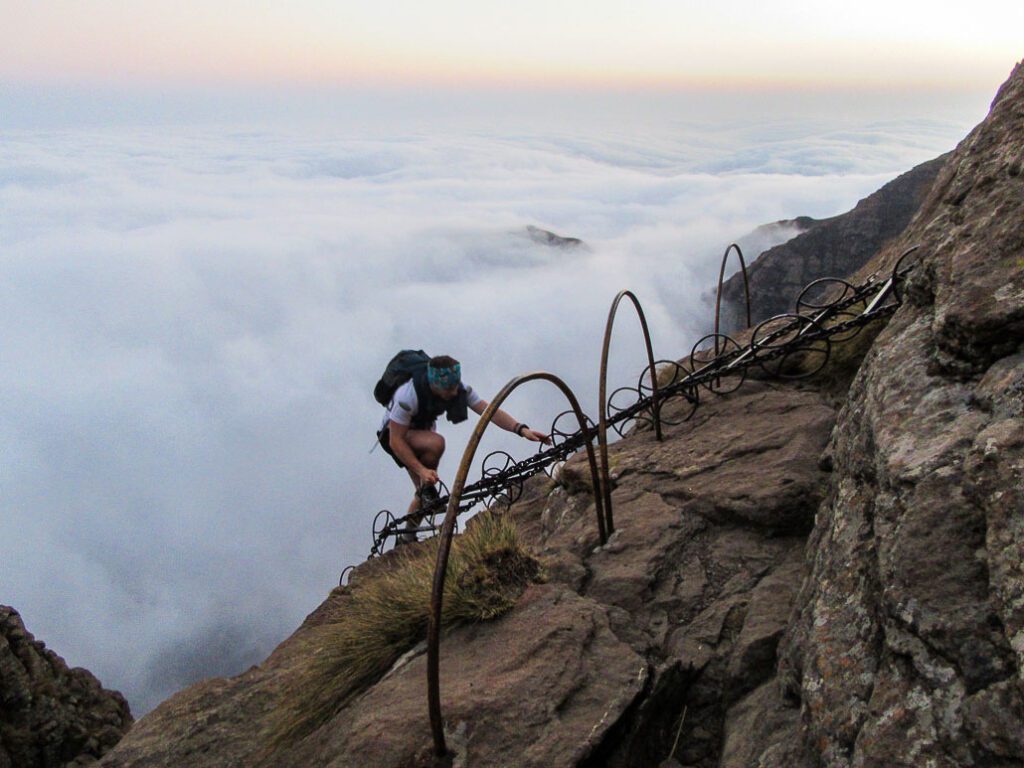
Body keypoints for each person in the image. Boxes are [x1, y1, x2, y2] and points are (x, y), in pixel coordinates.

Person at [377, 355, 551, 543]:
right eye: (448, 389)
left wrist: (521, 429)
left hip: (422, 432)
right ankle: (425, 492)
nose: (453, 393)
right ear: (434, 385)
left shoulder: (458, 389)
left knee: (424, 492)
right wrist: (421, 470)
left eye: (455, 387)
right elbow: (396, 441)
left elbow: (490, 410)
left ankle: (407, 536)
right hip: (395, 436)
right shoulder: (407, 396)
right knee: (435, 445)